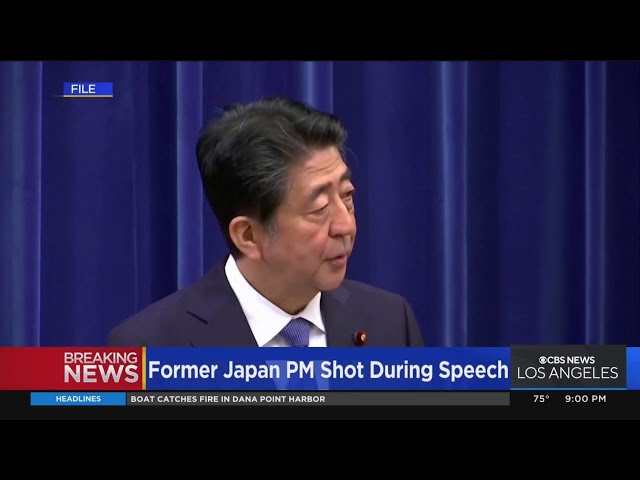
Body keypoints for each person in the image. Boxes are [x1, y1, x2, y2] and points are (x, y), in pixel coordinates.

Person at [108, 96, 424, 347]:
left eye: (347, 196)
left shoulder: (391, 323)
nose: (346, 227)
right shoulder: (148, 348)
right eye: (319, 208)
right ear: (248, 235)